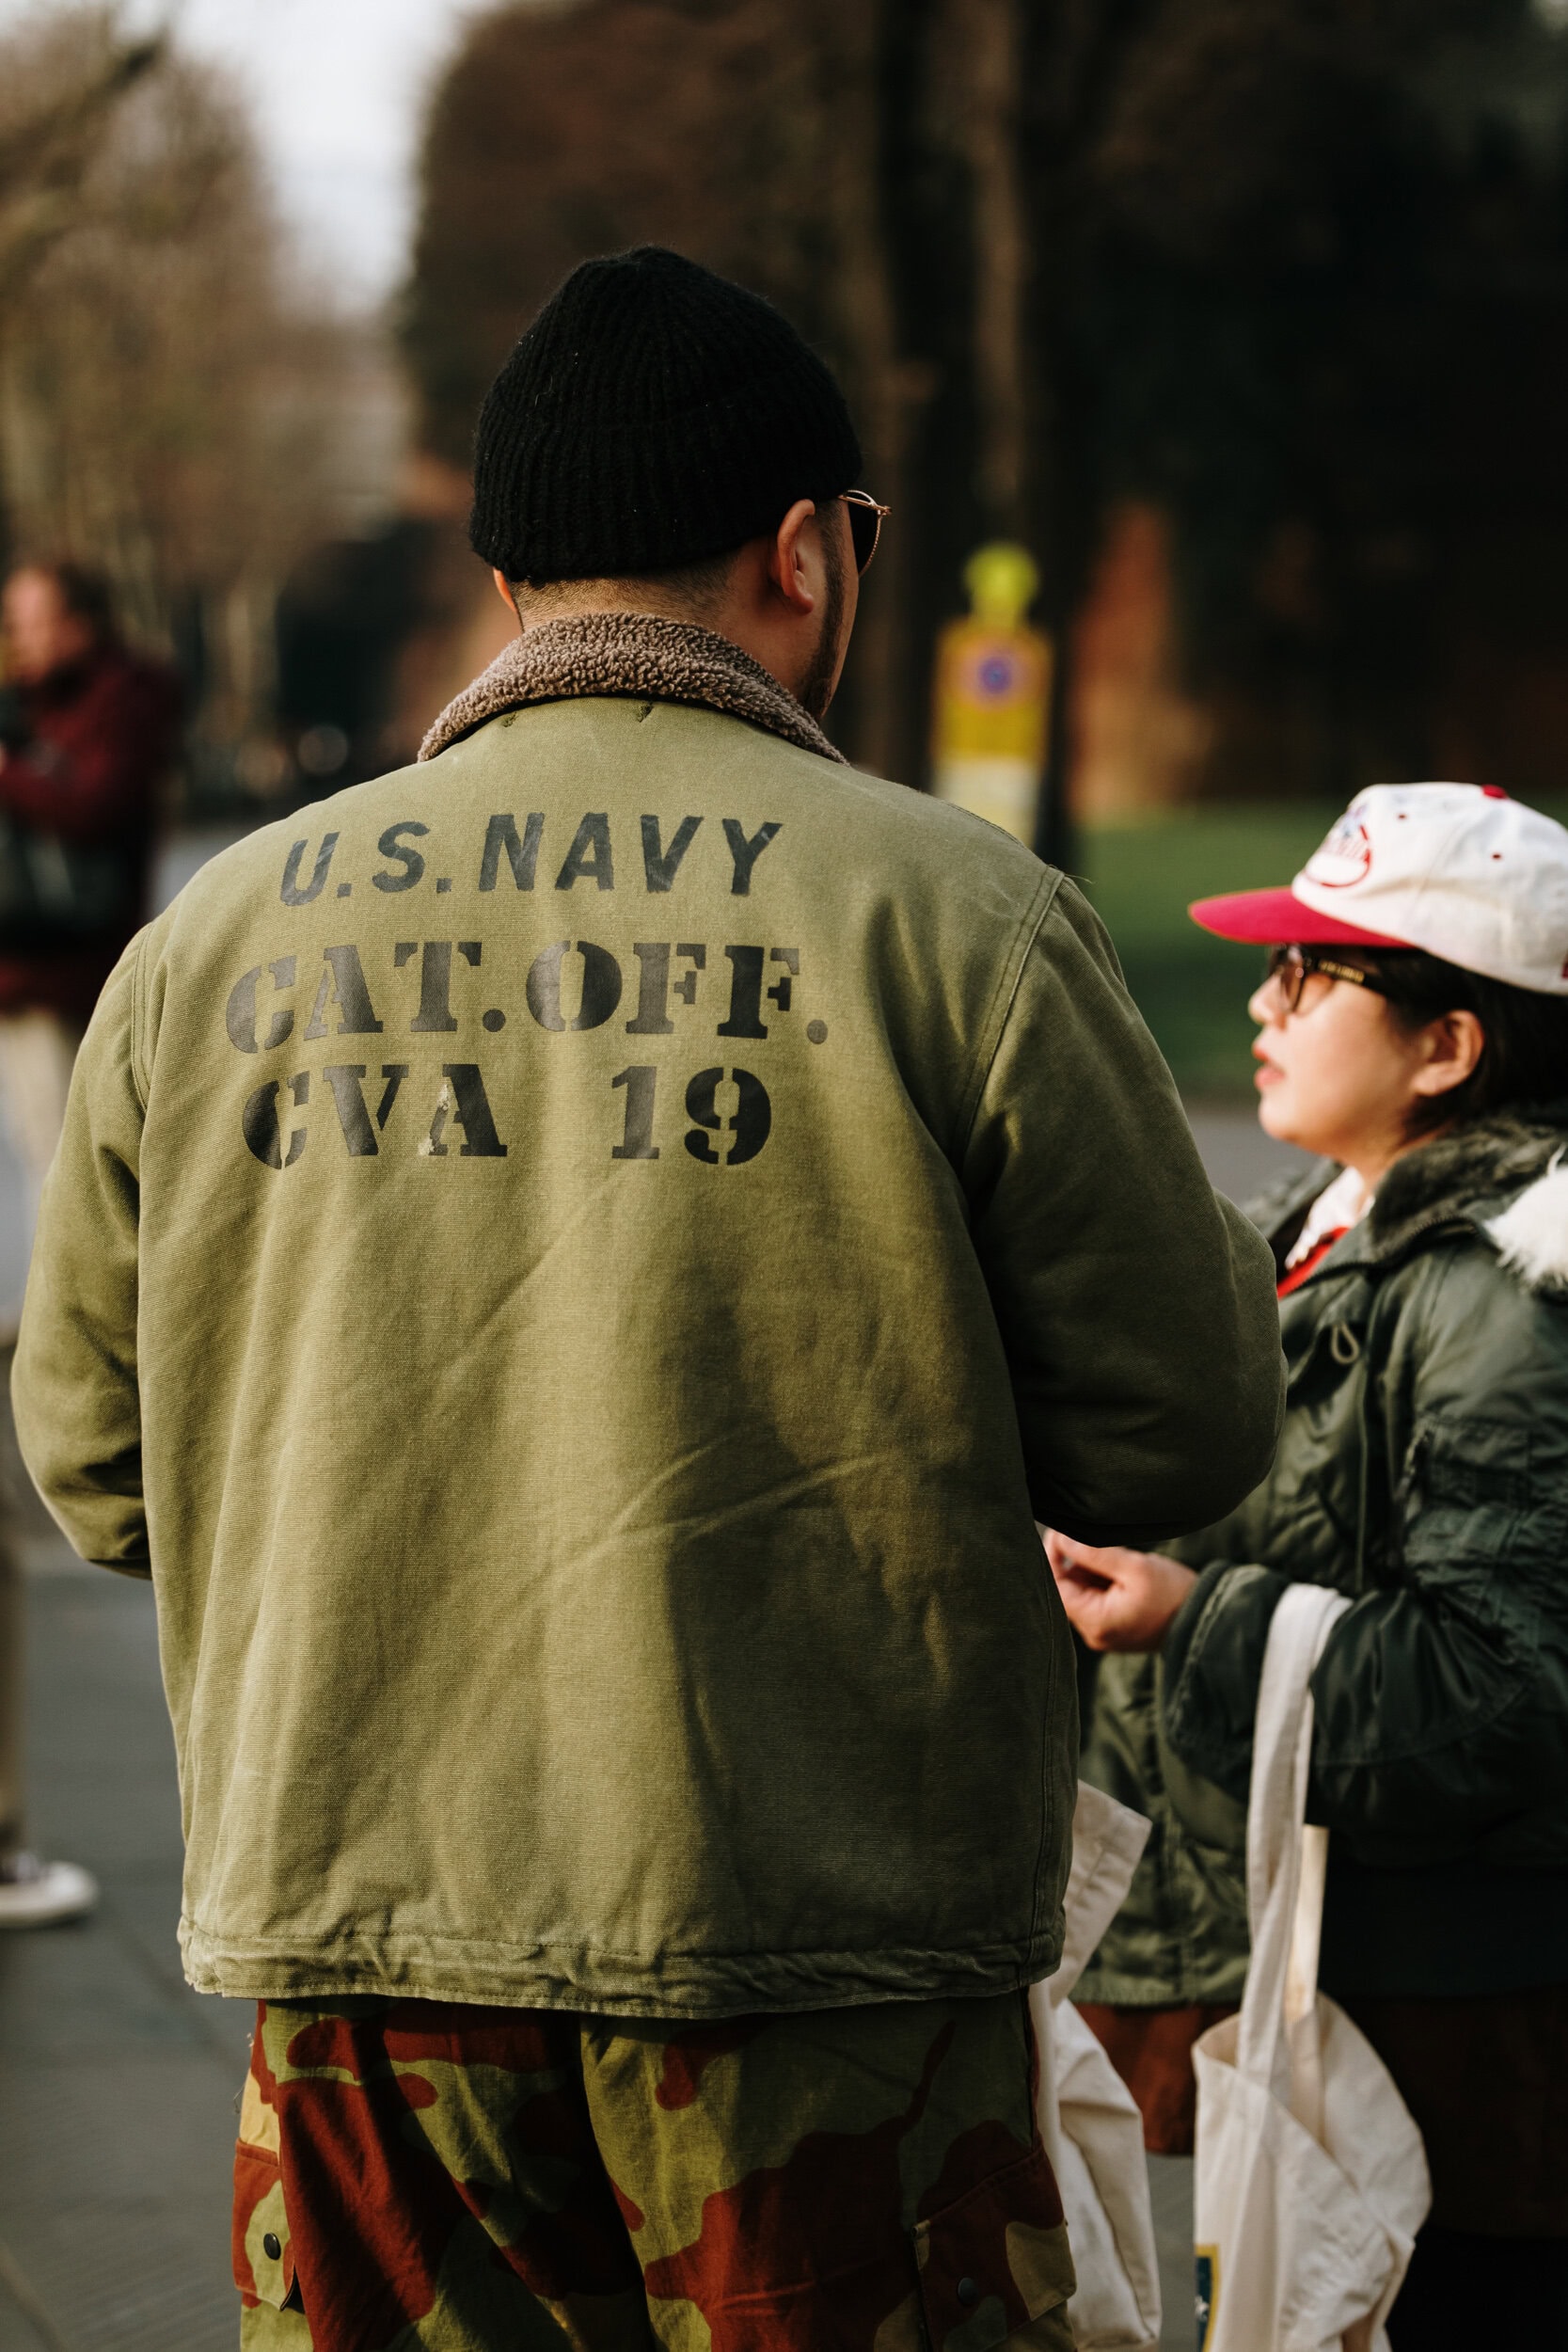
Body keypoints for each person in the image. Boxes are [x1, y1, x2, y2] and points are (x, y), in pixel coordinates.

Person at [13, 247, 1283, 2350]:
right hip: (827, 1950)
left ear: (508, 574)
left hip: (360, 1940)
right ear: (804, 550)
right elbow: (1184, 1420)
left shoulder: (214, 939)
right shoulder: (958, 912)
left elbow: (89, 1462)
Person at [1051, 782, 1568, 2346]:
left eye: (1314, 972)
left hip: (1452, 2046)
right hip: (1313, 1973)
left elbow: (1494, 1692)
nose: (1265, 1002)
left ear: (1451, 1045)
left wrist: (1193, 1622)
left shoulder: (1514, 1295)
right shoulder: (1315, 1232)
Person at [0, 561, 178, 1932]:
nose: (21, 633)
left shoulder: (121, 703)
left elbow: (94, 809)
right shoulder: (39, 704)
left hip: (69, 996)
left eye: (35, 611)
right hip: (34, 996)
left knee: (63, 1225)